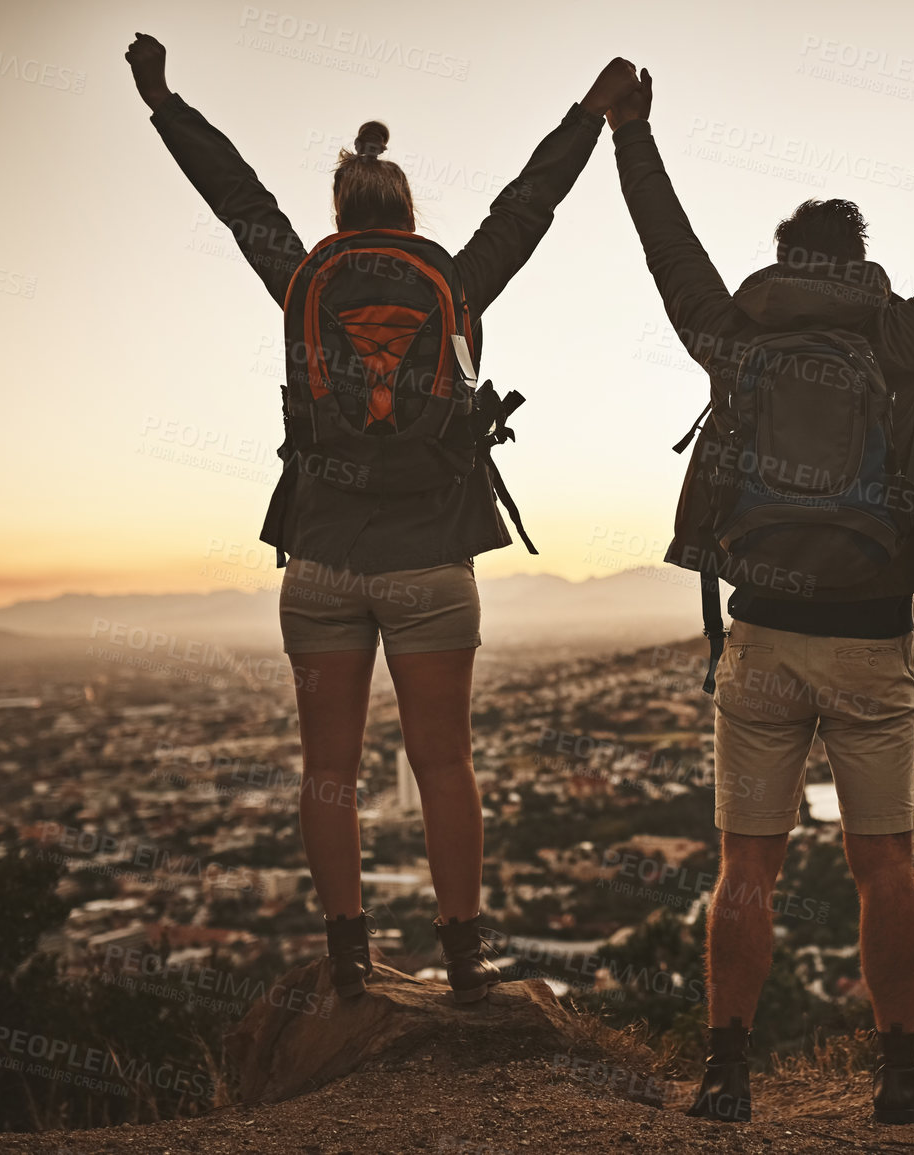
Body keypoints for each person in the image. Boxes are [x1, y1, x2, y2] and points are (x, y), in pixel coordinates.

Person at [604, 71, 914, 1122]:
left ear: (784, 261)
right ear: (861, 255)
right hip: (875, 643)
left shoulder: (732, 335)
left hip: (763, 638)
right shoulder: (898, 333)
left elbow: (667, 245)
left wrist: (632, 133)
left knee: (747, 874)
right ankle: (901, 1086)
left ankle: (726, 1077)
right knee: (887, 871)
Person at [125, 33, 641, 1004]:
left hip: (319, 553)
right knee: (444, 764)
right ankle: (461, 961)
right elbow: (529, 206)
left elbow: (238, 201)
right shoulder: (450, 277)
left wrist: (164, 101)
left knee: (328, 772)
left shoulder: (305, 277)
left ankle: (350, 960)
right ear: (407, 210)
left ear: (340, 212)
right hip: (433, 555)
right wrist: (592, 113)